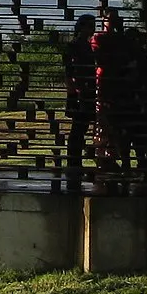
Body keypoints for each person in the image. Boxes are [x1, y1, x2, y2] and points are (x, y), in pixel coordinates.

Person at [92, 6, 147, 189]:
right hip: (108, 88)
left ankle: (124, 162)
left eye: (116, 19)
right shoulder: (100, 39)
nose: (113, 22)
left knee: (125, 128)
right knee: (108, 125)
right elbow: (101, 58)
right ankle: (109, 160)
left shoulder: (123, 41)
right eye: (110, 19)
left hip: (125, 92)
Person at [62, 14, 97, 192]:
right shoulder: (76, 47)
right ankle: (74, 163)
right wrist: (74, 93)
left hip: (86, 92)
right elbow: (70, 73)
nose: (92, 29)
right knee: (78, 129)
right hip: (80, 93)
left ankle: (75, 163)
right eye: (90, 26)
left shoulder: (86, 47)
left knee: (80, 129)